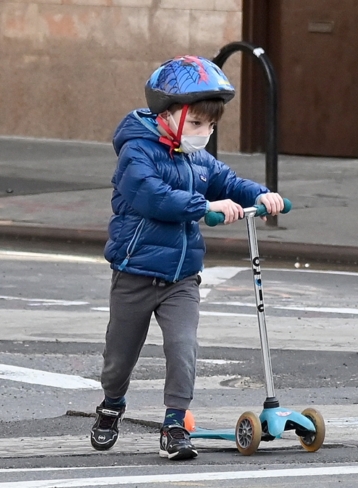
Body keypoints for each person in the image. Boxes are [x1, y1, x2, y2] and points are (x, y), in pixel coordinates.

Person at [89, 55, 284, 460]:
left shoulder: (195, 158)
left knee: (184, 347)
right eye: (196, 124)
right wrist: (203, 207)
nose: (204, 133)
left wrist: (261, 195)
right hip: (136, 272)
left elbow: (227, 180)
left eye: (210, 126)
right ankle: (111, 405)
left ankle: (175, 424)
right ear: (167, 115)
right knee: (119, 356)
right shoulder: (136, 152)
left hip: (181, 278)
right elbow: (152, 195)